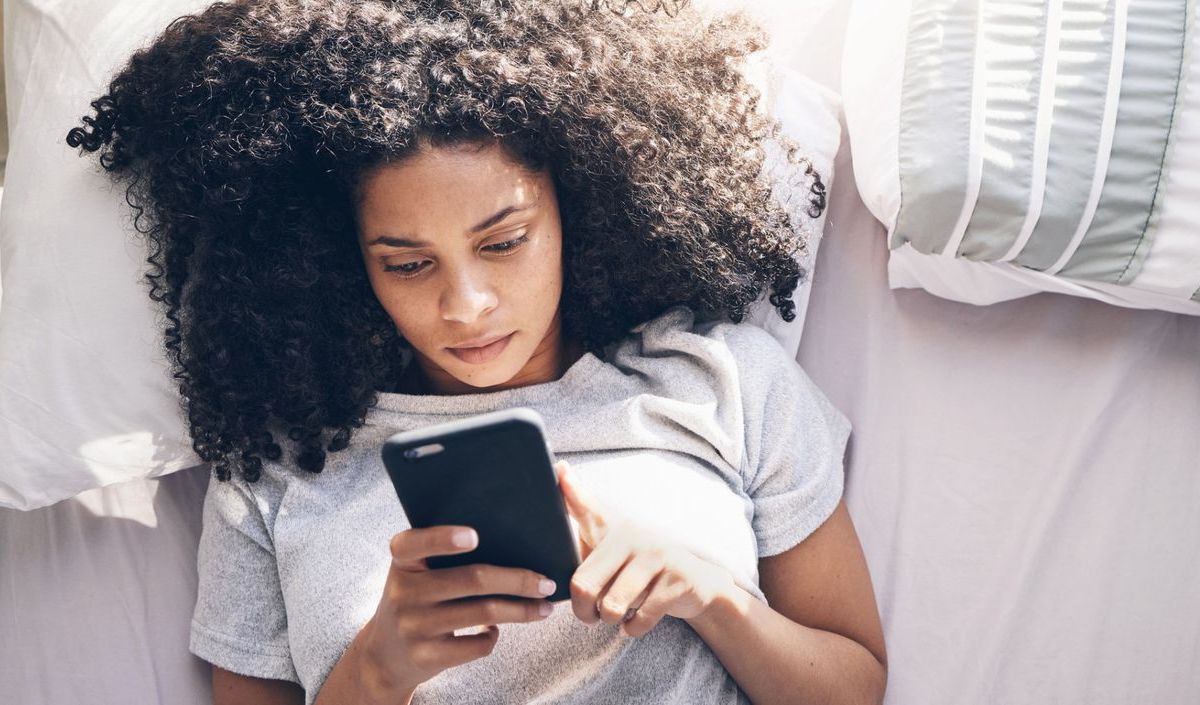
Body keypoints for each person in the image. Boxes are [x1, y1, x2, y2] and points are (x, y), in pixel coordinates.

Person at [67, 1, 886, 703]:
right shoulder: (278, 467)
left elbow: (855, 685)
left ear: (584, 200)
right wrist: (376, 669)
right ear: (339, 260)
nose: (466, 306)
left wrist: (709, 595)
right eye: (409, 263)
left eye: (504, 243)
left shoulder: (725, 379)